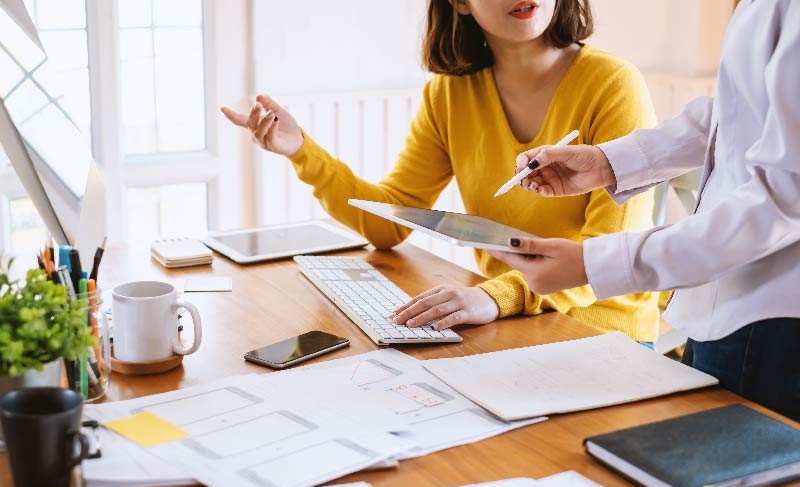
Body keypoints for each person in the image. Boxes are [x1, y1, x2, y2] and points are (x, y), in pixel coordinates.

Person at [222, 0, 661, 344]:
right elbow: (388, 223)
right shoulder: (449, 93)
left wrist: (494, 295)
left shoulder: (614, 84)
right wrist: (301, 151)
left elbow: (606, 252)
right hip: (515, 324)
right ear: (461, 2)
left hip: (606, 334)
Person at [490, 0, 800, 420]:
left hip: (770, 315)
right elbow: (739, 112)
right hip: (727, 305)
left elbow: (783, 200)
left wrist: (593, 264)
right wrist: (606, 162)